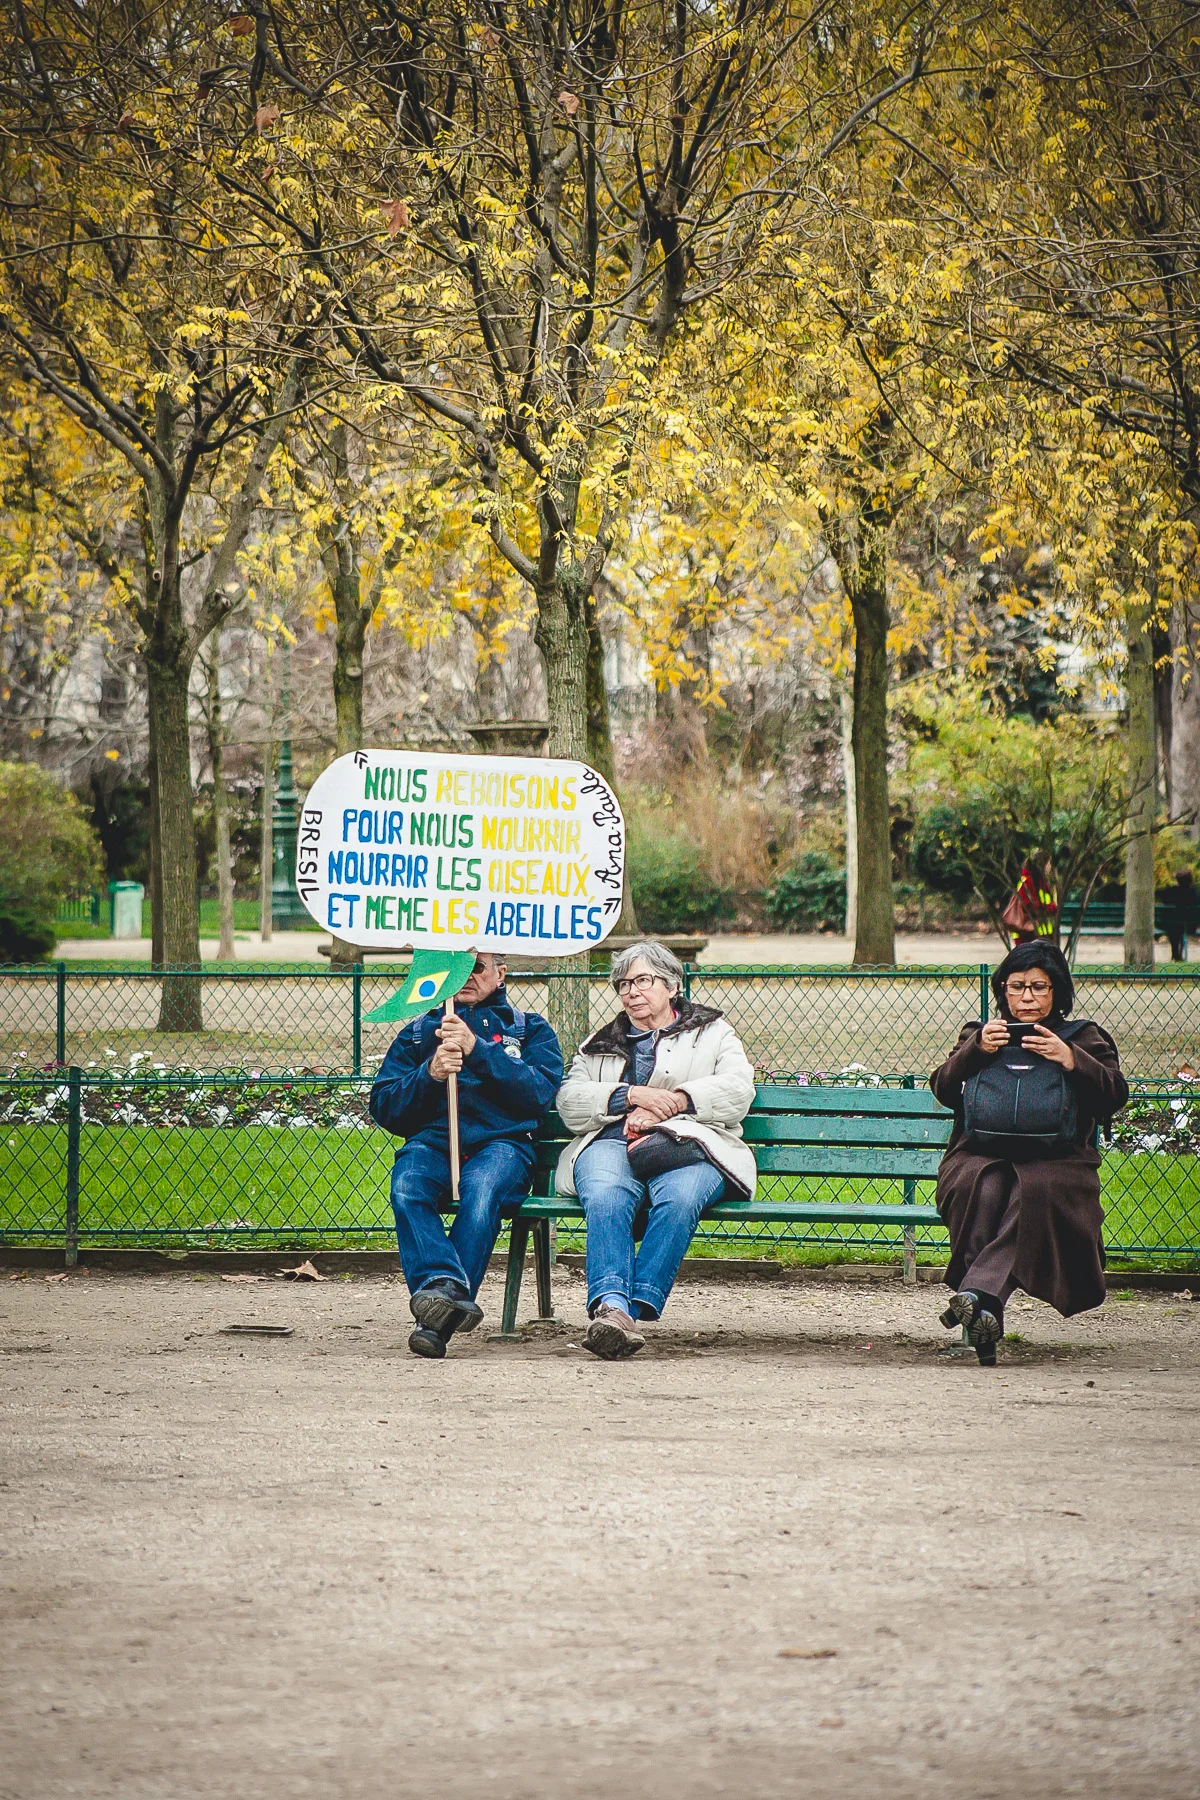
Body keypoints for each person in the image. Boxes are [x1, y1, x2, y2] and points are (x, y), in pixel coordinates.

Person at [555, 940, 756, 1360]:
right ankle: (612, 1308)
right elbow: (570, 1102)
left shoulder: (714, 1032)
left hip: (690, 1144)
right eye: (623, 984)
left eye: (642, 980)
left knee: (681, 1198)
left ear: (671, 986)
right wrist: (628, 1096)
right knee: (607, 1195)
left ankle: (635, 1302)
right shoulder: (599, 1043)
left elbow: (738, 1090)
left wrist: (678, 1102)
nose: (631, 991)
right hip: (610, 1141)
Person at [930, 941, 1128, 1365]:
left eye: (1039, 987)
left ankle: (977, 1298)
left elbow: (1115, 1095)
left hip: (1059, 1161)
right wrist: (976, 1050)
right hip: (977, 1155)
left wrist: (1071, 1058)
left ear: (1057, 991)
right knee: (982, 1188)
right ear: (1003, 989)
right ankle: (987, 1308)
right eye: (1017, 986)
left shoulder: (1083, 1038)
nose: (1027, 997)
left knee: (1032, 1192)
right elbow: (944, 1089)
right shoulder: (980, 1034)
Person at [369, 951, 563, 1359]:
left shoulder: (530, 1030)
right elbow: (386, 1106)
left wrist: (478, 1051)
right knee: (408, 1186)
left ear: (500, 974)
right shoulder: (420, 1034)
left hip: (503, 1146)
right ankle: (446, 1288)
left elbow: (539, 1094)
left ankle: (435, 1318)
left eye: (477, 966)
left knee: (482, 1188)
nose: (467, 976)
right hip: (435, 1143)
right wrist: (430, 1075)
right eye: (457, 967)